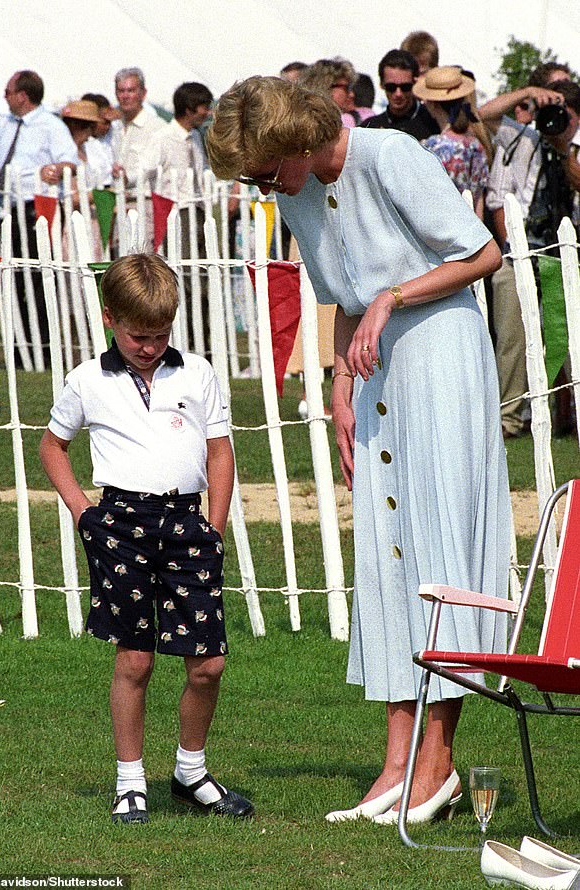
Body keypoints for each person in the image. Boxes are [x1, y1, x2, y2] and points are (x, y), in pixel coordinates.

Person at [207, 76, 510, 825]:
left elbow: (482, 254)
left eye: (264, 168)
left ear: (294, 141)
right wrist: (341, 385)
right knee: (388, 556)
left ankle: (436, 767)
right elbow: (343, 300)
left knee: (440, 552)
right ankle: (396, 766)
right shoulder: (299, 192)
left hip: (440, 360)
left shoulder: (390, 155)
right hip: (376, 373)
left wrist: (391, 298)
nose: (263, 185)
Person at [39, 253, 253, 824]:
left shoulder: (197, 373)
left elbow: (219, 449)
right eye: (138, 335)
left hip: (188, 527)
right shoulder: (87, 380)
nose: (150, 347)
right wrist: (85, 513)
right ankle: (130, 780)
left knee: (207, 663)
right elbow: (51, 448)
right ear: (110, 319)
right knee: (135, 659)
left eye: (160, 335)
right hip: (120, 528)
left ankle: (191, 771)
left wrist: (214, 525)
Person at [486, 79, 580, 438]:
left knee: (569, 340)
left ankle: (570, 417)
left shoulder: (576, 146)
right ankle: (509, 419)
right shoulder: (522, 137)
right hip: (520, 253)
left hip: (566, 258)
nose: (555, 121)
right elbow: (485, 113)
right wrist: (527, 95)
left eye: (564, 116)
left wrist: (565, 145)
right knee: (511, 339)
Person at [0, 70, 78, 366]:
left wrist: (56, 168)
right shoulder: (7, 125)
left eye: (8, 92)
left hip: (36, 209)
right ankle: (22, 348)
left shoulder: (50, 125)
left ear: (23, 95)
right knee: (14, 279)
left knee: (37, 278)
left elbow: (68, 158)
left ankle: (43, 349)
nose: (5, 97)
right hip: (8, 209)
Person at [148, 82, 213, 354]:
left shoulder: (196, 137)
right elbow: (146, 171)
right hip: (176, 212)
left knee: (203, 276)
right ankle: (187, 337)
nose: (208, 113)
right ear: (189, 109)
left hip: (198, 209)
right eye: (204, 107)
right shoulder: (163, 137)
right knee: (186, 277)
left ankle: (204, 338)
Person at [414, 67, 490, 217]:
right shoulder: (476, 145)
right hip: (472, 230)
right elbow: (478, 202)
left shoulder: (431, 147)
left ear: (432, 104)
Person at [361, 49, 439, 141]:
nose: (398, 94)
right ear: (381, 84)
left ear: (414, 83)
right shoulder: (369, 128)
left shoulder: (433, 123)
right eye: (391, 87)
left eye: (405, 87)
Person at [111, 67, 165, 186]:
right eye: (121, 91)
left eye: (131, 91)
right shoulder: (113, 126)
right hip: (116, 197)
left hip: (144, 198)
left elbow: (151, 166)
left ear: (143, 93)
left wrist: (128, 178)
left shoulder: (156, 127)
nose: (125, 96)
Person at [299, 57, 357, 127]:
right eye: (346, 88)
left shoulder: (297, 119)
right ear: (326, 86)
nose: (351, 94)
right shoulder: (345, 120)